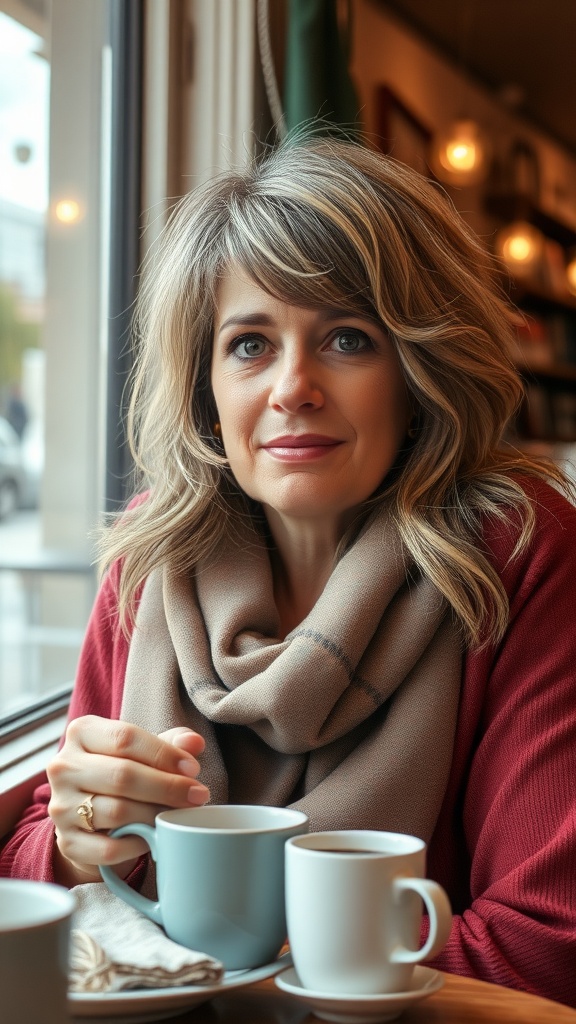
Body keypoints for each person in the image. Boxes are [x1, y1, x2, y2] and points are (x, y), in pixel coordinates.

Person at [2, 136, 576, 1006]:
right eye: (249, 345)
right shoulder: (152, 556)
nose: (292, 387)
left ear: (417, 372)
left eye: (347, 339)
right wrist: (80, 842)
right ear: (206, 387)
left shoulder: (520, 552)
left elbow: (547, 944)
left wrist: (231, 970)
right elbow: (35, 869)